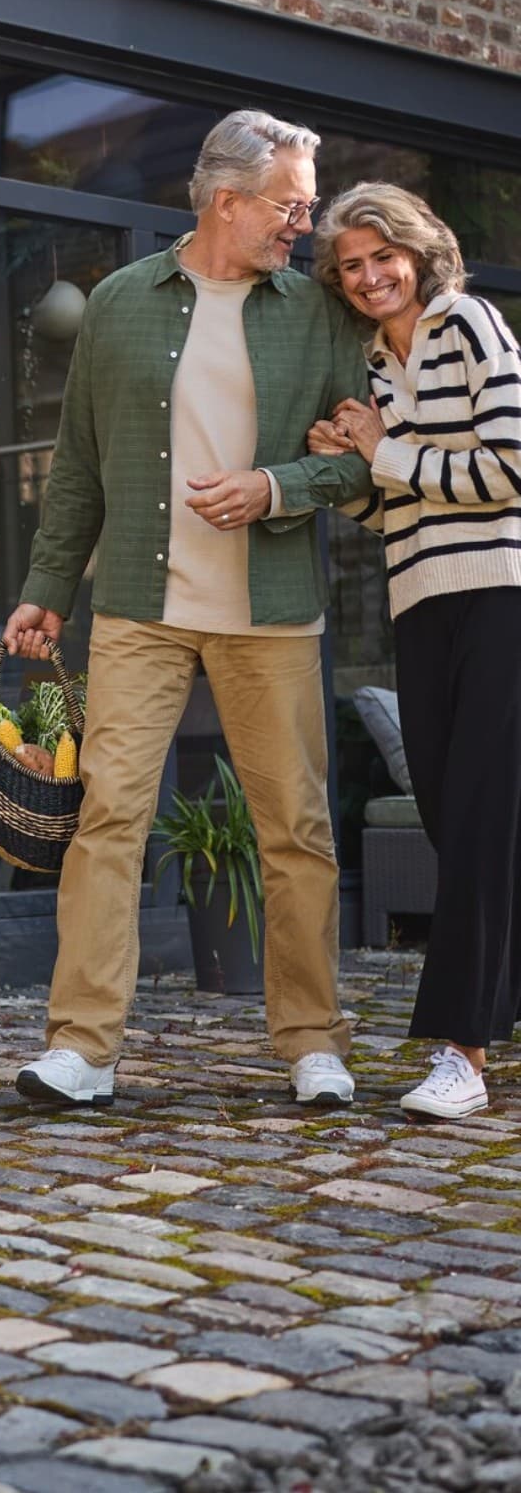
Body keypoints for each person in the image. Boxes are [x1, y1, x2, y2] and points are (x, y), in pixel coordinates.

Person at [2, 110, 373, 1109]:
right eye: (290, 206)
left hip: (272, 608)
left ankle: (312, 1042)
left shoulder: (317, 313)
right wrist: (46, 589)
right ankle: (83, 1048)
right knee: (108, 819)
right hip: (141, 605)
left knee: (295, 829)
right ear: (228, 201)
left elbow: (355, 459)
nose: (302, 225)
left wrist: (274, 487)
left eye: (305, 207)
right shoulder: (120, 302)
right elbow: (77, 465)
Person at [305, 183, 521, 1121]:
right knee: (447, 807)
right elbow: (400, 508)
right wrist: (349, 472)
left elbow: (510, 469)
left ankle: (462, 1053)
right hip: (420, 601)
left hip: (502, 593)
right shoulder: (375, 367)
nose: (369, 277)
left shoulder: (468, 324)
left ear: (418, 251)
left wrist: (386, 452)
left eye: (382, 257)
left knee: (475, 820)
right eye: (351, 266)